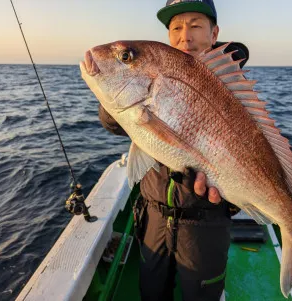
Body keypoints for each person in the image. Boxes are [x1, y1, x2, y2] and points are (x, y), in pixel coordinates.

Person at [99, 1, 249, 300]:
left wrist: (233, 196)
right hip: (153, 216)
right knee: (152, 291)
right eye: (176, 28)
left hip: (205, 222)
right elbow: (115, 124)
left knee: (202, 294)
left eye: (195, 25)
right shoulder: (156, 74)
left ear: (214, 32)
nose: (185, 36)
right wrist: (116, 91)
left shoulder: (231, 86)